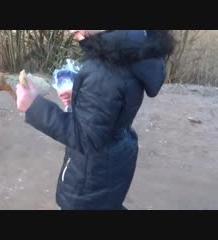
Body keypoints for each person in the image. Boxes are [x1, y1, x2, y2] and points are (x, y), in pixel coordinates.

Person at [16, 30, 176, 210]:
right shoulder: (132, 48)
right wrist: (83, 96)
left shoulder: (103, 68)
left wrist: (33, 106)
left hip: (91, 177)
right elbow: (113, 103)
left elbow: (86, 137)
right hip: (115, 161)